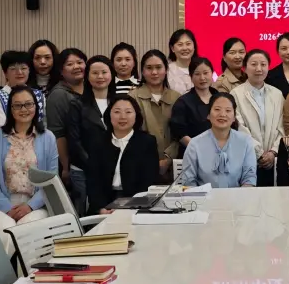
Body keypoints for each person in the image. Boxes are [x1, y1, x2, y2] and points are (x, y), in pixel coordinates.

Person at [0, 86, 56, 256]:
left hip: (35, 205)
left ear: (36, 107)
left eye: (28, 104)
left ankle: (25, 273)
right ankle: (0, 274)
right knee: (6, 234)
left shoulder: (48, 137)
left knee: (26, 233)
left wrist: (30, 206)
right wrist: (6, 206)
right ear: (10, 109)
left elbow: (51, 180)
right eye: (18, 105)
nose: (24, 109)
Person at [85, 96, 159, 214]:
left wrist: (129, 207)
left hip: (135, 204)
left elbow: (149, 181)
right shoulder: (98, 142)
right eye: (117, 112)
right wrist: (101, 209)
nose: (122, 117)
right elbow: (93, 181)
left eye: (128, 112)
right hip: (104, 203)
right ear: (109, 114)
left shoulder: (147, 142)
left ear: (136, 115)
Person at [66, 55, 116, 209]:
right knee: (87, 212)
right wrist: (93, 165)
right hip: (83, 170)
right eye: (95, 73)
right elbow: (74, 141)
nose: (100, 76)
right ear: (87, 76)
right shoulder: (76, 104)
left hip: (114, 170)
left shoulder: (119, 102)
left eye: (104, 72)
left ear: (111, 74)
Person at [180, 93, 257, 188]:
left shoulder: (245, 142)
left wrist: (240, 196)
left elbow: (249, 177)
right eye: (217, 109)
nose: (222, 114)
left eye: (228, 110)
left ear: (234, 117)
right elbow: (188, 181)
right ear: (208, 115)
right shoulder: (195, 144)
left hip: (237, 196)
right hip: (204, 197)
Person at [232, 49, 285, 187]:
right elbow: (239, 127)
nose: (259, 69)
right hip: (247, 158)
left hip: (274, 160)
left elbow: (282, 126)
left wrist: (273, 152)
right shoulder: (235, 94)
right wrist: (259, 154)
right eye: (254, 64)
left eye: (263, 64)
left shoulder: (277, 94)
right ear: (244, 68)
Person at [45, 48, 88, 213]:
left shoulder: (90, 89)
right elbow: (58, 134)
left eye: (79, 62)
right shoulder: (58, 95)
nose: (76, 67)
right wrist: (65, 167)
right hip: (72, 163)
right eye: (70, 64)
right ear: (61, 71)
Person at [131, 50, 181, 181]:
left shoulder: (177, 98)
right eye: (149, 68)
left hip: (173, 167)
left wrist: (168, 158)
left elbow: (181, 133)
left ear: (166, 70)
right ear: (142, 71)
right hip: (142, 165)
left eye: (158, 67)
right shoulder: (132, 97)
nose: (154, 72)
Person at [170, 56, 219, 156]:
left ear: (212, 73)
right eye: (197, 74)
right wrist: (200, 149)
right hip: (194, 154)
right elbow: (179, 132)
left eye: (206, 73)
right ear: (191, 76)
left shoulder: (221, 98)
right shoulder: (183, 102)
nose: (202, 78)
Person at [0, 50, 46, 128]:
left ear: (29, 71)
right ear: (5, 73)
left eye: (23, 68)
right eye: (13, 69)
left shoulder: (39, 95)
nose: (19, 72)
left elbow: (43, 125)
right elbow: (1, 129)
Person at [168, 28, 214, 94]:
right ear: (172, 48)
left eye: (188, 44)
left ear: (194, 46)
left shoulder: (204, 68)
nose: (184, 48)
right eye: (180, 44)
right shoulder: (167, 71)